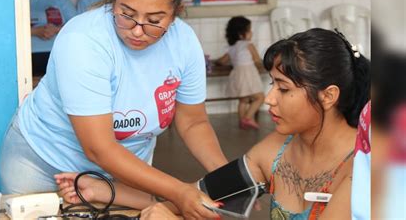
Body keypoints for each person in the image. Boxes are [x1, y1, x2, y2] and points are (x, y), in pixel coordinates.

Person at [56, 28, 371, 220]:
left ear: (328, 96)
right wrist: (105, 190)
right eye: (272, 84)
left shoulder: (362, 170)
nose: (269, 99)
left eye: (283, 88)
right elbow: (199, 198)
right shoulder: (276, 150)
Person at [0, 0, 227, 219]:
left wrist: (230, 177)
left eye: (154, 21)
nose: (137, 30)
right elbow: (99, 148)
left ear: (176, 13)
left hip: (127, 169)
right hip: (45, 161)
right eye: (127, 15)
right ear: (113, 0)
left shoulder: (184, 43)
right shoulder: (83, 40)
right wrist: (178, 191)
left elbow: (193, 123)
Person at [28, 0, 77, 77]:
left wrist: (56, 29)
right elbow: (9, 31)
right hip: (30, 56)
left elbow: (75, 23)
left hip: (58, 54)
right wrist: (34, 31)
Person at [216, 16, 264, 130]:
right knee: (260, 97)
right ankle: (247, 118)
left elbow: (222, 61)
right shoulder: (249, 45)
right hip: (248, 74)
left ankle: (242, 122)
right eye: (249, 30)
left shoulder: (231, 47)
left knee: (243, 100)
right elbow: (257, 59)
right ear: (241, 34)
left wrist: (216, 62)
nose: (251, 33)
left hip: (237, 74)